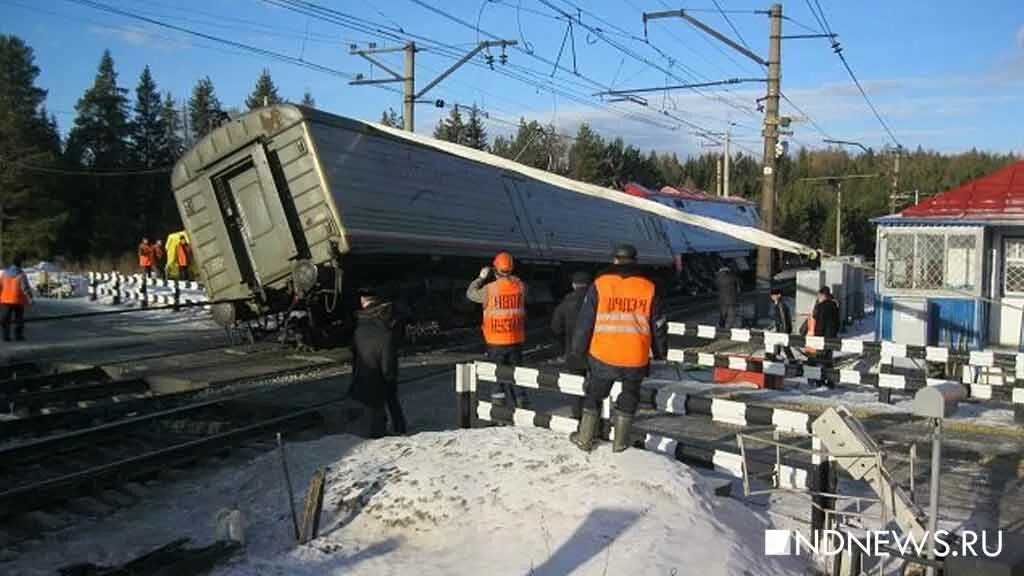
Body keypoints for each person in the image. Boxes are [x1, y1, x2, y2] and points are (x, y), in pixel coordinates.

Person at [570, 244, 668, 453]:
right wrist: (660, 352)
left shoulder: (600, 284)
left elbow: (585, 322)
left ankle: (585, 438)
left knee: (594, 395)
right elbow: (658, 324)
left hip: (604, 354)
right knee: (630, 396)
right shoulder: (648, 287)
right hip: (635, 356)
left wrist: (577, 350)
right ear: (635, 261)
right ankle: (621, 443)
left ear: (614, 260)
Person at [466, 251, 529, 409]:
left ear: (495, 270)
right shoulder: (520, 287)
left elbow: (470, 294)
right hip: (516, 340)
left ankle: (499, 409)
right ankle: (522, 404)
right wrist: (513, 279)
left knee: (497, 376)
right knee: (517, 374)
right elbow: (523, 286)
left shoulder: (489, 290)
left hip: (495, 341)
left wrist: (480, 278)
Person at [348, 287, 406, 438]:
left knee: (372, 402)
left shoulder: (361, 323)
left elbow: (354, 350)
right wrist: (389, 374)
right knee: (390, 397)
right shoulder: (386, 320)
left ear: (363, 301)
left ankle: (378, 428)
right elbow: (389, 348)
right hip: (383, 365)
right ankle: (398, 427)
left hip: (366, 367)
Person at [551, 270, 591, 418]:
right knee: (596, 387)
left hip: (574, 352)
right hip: (596, 352)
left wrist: (563, 347)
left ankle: (577, 416)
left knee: (576, 386)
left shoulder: (565, 304)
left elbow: (556, 328)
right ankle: (594, 419)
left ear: (574, 285)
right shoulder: (598, 303)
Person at [810, 286, 841, 387]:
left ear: (823, 295)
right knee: (828, 360)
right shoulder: (834, 305)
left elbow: (820, 323)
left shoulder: (821, 307)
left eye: (819, 295)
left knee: (819, 359)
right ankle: (831, 381)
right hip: (832, 337)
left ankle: (819, 381)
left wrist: (816, 336)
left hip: (822, 337)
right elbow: (837, 322)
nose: (818, 297)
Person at [1, 256, 33, 342]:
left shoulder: (4, 273)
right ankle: (18, 336)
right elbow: (25, 288)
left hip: (5, 300)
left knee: (6, 319)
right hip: (18, 300)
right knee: (19, 319)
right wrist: (30, 298)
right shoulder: (21, 274)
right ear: (19, 264)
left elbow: (0, 286)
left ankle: (6, 336)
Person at [769, 287, 795, 361]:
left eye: (774, 295)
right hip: (780, 328)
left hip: (782, 329)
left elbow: (784, 319)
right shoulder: (777, 304)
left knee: (785, 347)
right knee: (780, 345)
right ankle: (779, 358)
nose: (772, 297)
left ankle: (792, 360)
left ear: (779, 295)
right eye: (772, 295)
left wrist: (784, 331)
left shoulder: (781, 305)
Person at [716, 263, 738, 329]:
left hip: (722, 299)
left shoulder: (718, 279)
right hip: (731, 299)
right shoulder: (732, 277)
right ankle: (727, 328)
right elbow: (737, 285)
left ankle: (721, 326)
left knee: (723, 315)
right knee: (731, 315)